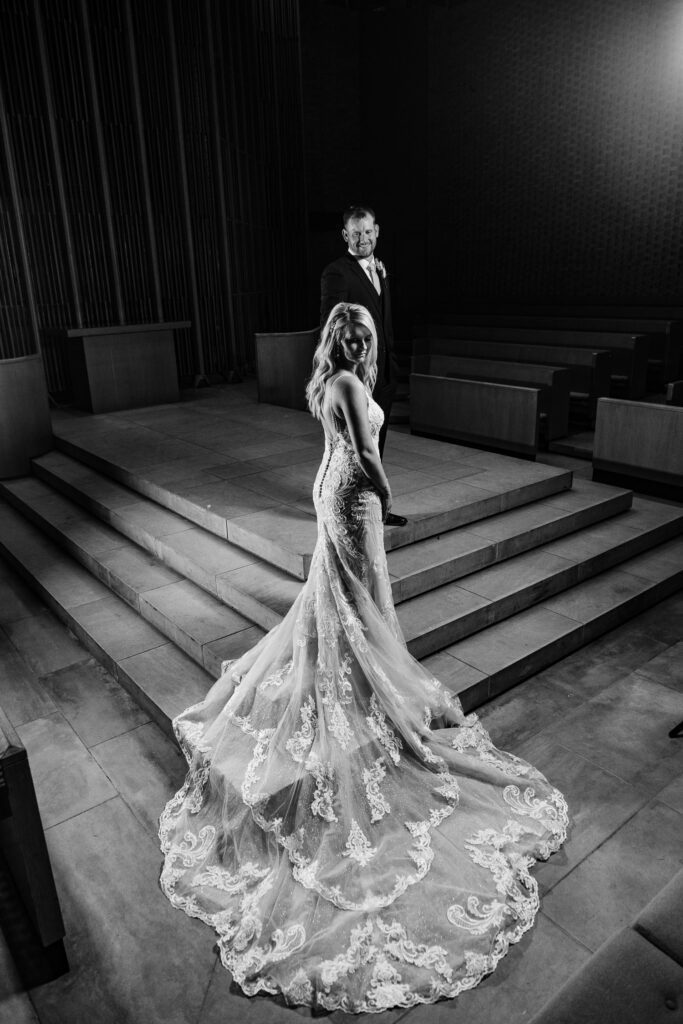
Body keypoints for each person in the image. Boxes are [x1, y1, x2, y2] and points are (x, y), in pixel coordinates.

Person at [159, 302, 569, 1014]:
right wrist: (385, 495)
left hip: (338, 491)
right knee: (357, 600)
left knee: (350, 601)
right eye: (348, 336)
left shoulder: (337, 380)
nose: (356, 343)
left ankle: (359, 680)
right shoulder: (348, 383)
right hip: (353, 496)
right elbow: (367, 454)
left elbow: (344, 445)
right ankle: (352, 688)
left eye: (363, 335)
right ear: (336, 340)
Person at [321, 203, 407, 527]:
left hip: (383, 371)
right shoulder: (337, 272)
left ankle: (372, 508)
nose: (363, 239)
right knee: (354, 446)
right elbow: (330, 326)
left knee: (376, 442)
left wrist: (390, 364)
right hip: (357, 373)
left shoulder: (379, 268)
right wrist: (341, 376)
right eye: (356, 233)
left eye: (368, 232)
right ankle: (351, 506)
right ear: (346, 235)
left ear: (377, 231)